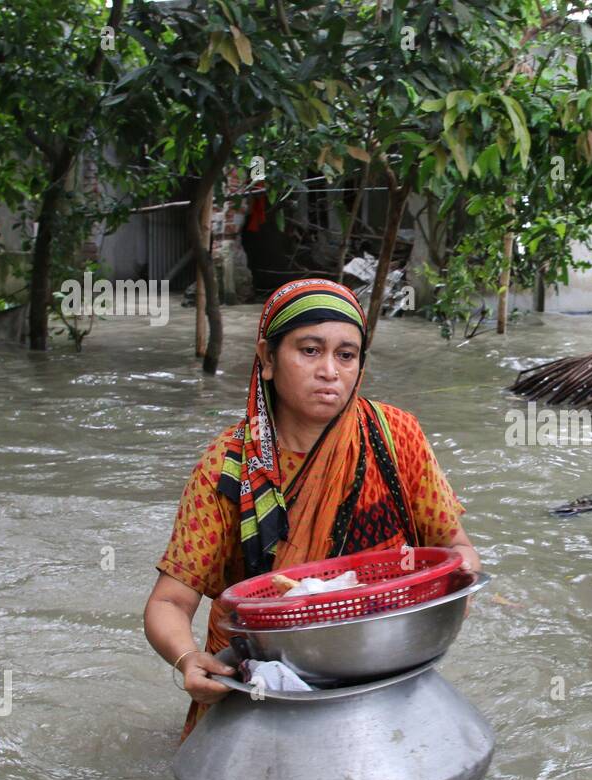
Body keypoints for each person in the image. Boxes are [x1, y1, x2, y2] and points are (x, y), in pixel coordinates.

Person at [142, 278, 481, 742]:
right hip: (262, 692)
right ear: (265, 358)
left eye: (346, 355)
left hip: (379, 676)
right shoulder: (228, 468)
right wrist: (187, 659)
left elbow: (455, 550)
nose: (330, 371)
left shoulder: (395, 437)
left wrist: (442, 608)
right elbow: (168, 602)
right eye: (309, 350)